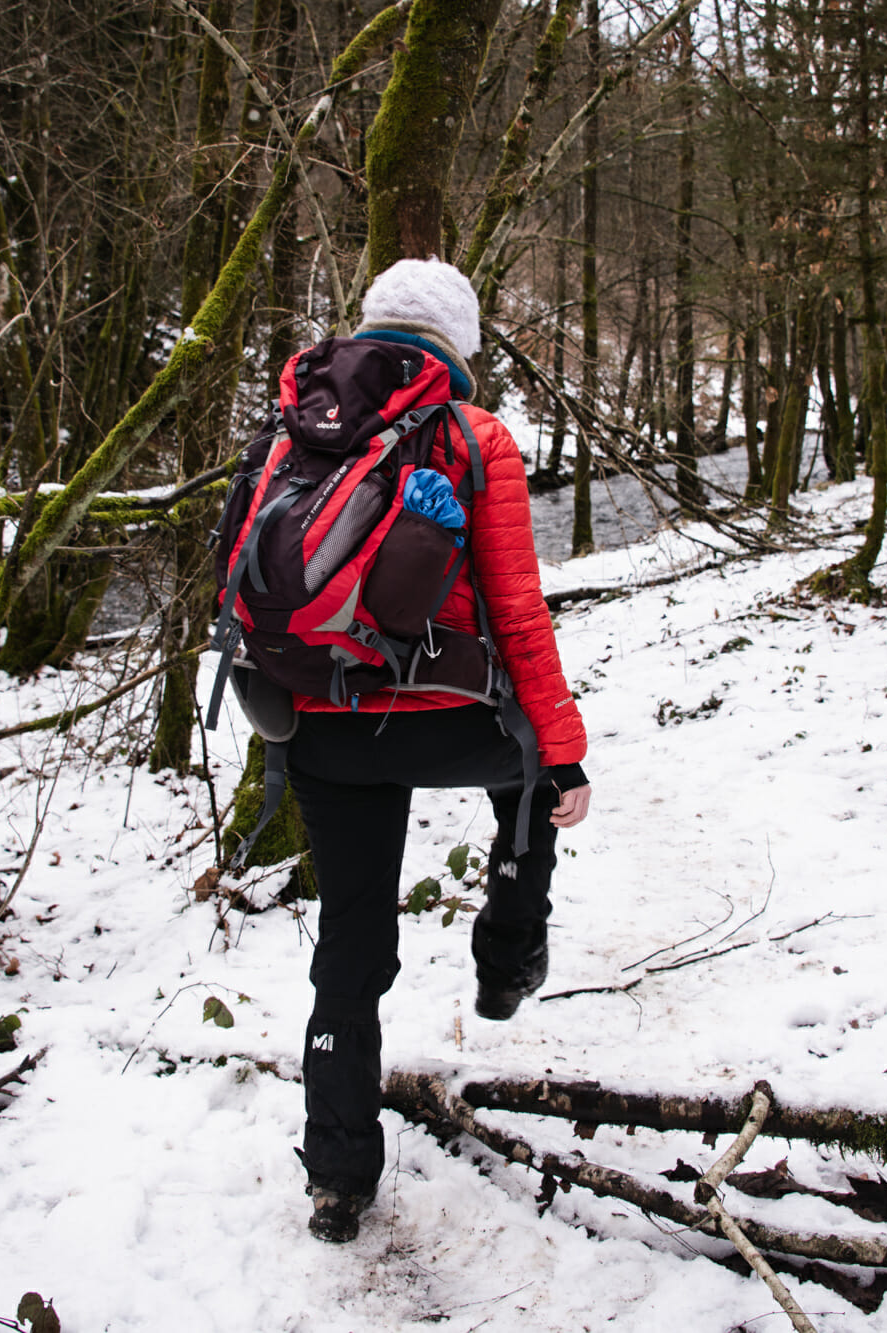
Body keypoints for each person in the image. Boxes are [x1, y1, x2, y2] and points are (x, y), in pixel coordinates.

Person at [284, 258, 591, 1243]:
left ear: (370, 328)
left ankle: (335, 1179)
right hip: (446, 716)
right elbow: (514, 607)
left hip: (322, 722)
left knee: (350, 944)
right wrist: (565, 746)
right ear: (454, 345)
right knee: (533, 770)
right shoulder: (477, 436)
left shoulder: (302, 421)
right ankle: (506, 955)